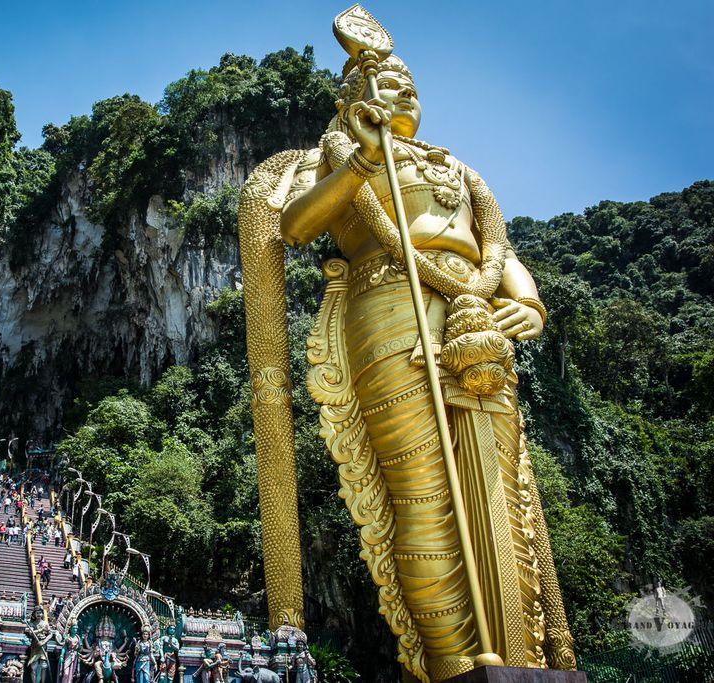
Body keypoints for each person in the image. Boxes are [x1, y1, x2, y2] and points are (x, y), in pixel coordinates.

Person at [241, 46, 575, 679]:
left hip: (478, 315)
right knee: (422, 496)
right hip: (390, 307)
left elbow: (497, 247)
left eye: (409, 82)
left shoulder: (457, 167)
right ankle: (451, 663)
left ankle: (523, 655)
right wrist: (363, 162)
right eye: (388, 82)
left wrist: (528, 302)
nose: (404, 90)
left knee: (502, 493)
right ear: (353, 100)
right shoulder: (340, 155)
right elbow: (296, 225)